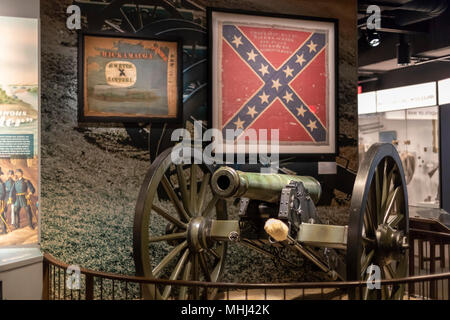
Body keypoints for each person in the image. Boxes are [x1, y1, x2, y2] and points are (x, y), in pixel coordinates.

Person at [0, 168, 8, 234]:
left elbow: (2, 193)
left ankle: (4, 230)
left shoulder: (1, 183)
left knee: (1, 215)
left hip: (0, 201)